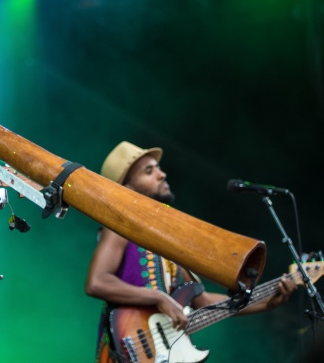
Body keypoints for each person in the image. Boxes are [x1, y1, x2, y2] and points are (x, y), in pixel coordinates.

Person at [85, 141, 295, 363]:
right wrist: (158, 297)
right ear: (129, 188)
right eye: (149, 171)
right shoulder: (119, 225)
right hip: (128, 348)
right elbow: (97, 282)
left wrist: (266, 303)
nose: (162, 174)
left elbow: (201, 302)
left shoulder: (169, 237)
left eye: (158, 167)